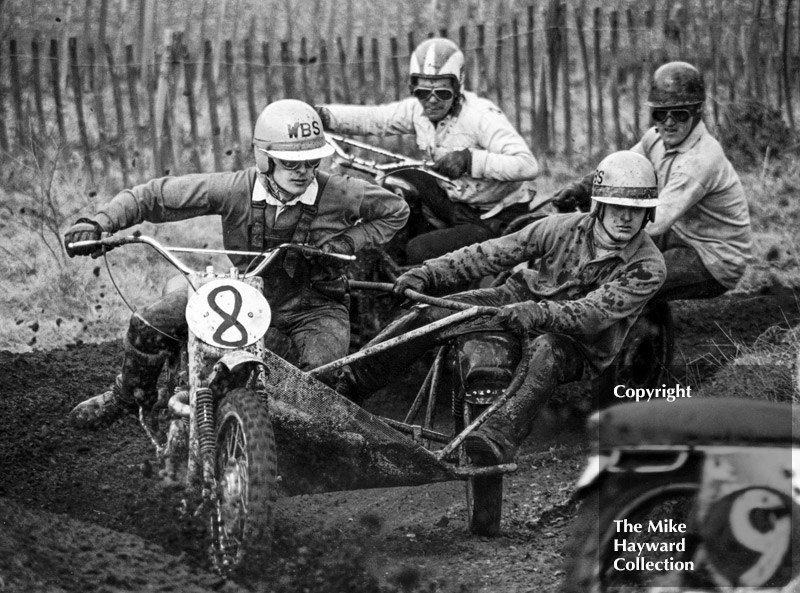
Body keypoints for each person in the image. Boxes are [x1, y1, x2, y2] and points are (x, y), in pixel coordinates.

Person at [64, 99, 409, 430]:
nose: (303, 172)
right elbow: (153, 196)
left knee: (322, 378)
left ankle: (276, 442)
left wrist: (348, 242)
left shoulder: (342, 192)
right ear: (264, 158)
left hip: (317, 303)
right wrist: (100, 223)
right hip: (244, 291)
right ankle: (129, 395)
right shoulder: (234, 190)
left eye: (312, 162)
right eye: (291, 163)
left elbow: (397, 210)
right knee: (150, 323)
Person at [339, 151, 666, 465]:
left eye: (635, 210)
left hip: (579, 343)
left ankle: (498, 438)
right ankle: (350, 383)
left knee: (547, 350)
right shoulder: (560, 227)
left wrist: (537, 313)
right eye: (617, 206)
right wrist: (429, 272)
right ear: (600, 205)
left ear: (648, 213)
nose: (625, 217)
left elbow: (593, 314)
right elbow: (493, 252)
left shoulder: (649, 265)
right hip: (515, 298)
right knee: (433, 314)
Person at [315, 37, 540, 264]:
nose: (432, 101)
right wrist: (322, 116)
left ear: (457, 88)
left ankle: (423, 284)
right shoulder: (418, 110)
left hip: (492, 216)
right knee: (397, 179)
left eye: (442, 93)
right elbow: (374, 119)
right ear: (414, 89)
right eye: (423, 92)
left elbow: (527, 165)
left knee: (419, 251)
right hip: (455, 199)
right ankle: (402, 248)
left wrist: (470, 160)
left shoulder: (481, 117)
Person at [553, 61, 752, 301]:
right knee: (611, 265)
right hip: (681, 233)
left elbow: (655, 223)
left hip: (715, 257)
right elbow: (621, 167)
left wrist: (598, 227)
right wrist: (584, 187)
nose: (668, 122)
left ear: (697, 111)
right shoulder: (656, 138)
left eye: (679, 114)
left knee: (626, 278)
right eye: (660, 113)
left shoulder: (700, 160)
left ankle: (637, 333)